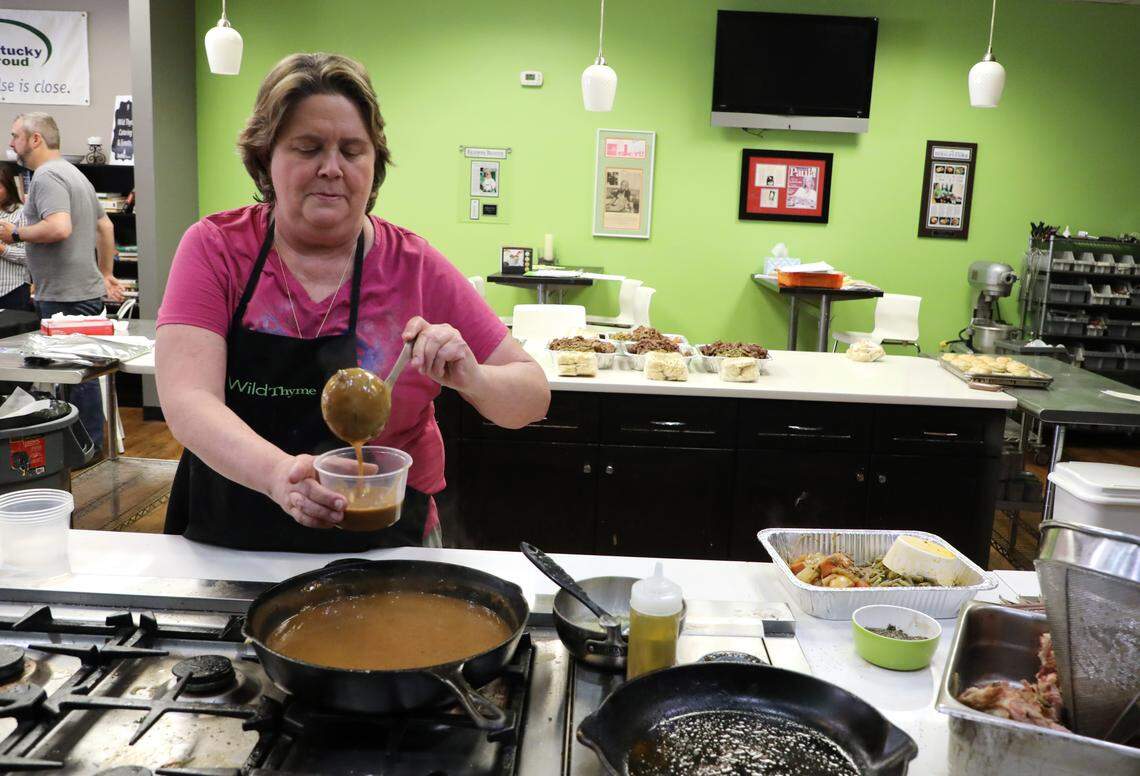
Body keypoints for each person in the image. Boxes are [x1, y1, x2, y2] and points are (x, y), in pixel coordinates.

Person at [156, 53, 550, 552]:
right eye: (308, 148)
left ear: (374, 163)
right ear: (265, 157)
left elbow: (532, 397)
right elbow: (188, 399)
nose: (332, 168)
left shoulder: (415, 266)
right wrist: (280, 475)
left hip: (386, 542)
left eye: (352, 150)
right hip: (236, 536)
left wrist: (473, 377)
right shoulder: (217, 249)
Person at [1, 113, 127, 449]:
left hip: (63, 298)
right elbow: (106, 227)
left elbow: (59, 228)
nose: (11, 143)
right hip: (78, 291)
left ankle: (84, 449)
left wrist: (14, 232)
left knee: (74, 378)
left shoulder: (46, 177)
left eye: (15, 136)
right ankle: (88, 447)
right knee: (80, 377)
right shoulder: (75, 175)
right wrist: (105, 274)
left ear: (36, 139)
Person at [0, 163, 30, 310]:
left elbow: (30, 256)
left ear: (9, 188)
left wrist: (2, 249)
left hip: (11, 291)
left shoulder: (21, 213)